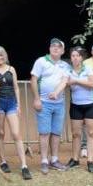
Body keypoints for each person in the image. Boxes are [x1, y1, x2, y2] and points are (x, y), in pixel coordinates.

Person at [30, 38, 70, 174]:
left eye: (59, 47)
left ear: (63, 50)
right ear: (49, 48)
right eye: (53, 46)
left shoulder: (65, 65)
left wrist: (56, 92)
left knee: (56, 133)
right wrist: (36, 99)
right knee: (44, 133)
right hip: (44, 103)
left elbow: (65, 81)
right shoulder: (41, 61)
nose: (56, 48)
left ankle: (54, 159)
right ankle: (44, 161)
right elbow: (34, 79)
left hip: (59, 104)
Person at [0, 46, 32, 180]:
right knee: (1, 132)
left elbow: (16, 87)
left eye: (1, 55)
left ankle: (24, 166)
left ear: (5, 56)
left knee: (16, 133)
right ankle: (3, 161)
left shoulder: (11, 69)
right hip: (0, 104)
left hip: (11, 104)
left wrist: (19, 105)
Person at [66, 47, 93, 173]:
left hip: (91, 105)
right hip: (76, 105)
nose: (75, 58)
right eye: (73, 55)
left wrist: (76, 81)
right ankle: (75, 159)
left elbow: (92, 84)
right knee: (76, 134)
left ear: (81, 58)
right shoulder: (68, 70)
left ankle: (90, 161)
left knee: (91, 133)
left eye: (77, 55)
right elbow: (65, 82)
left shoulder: (88, 68)